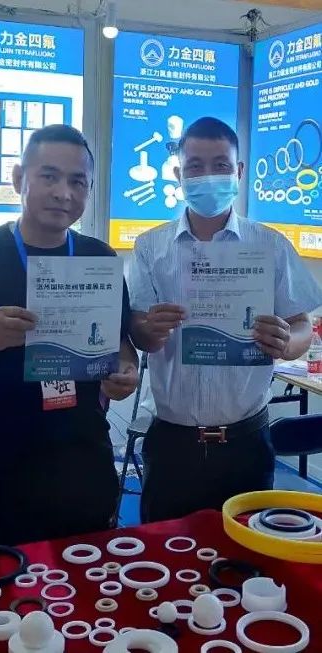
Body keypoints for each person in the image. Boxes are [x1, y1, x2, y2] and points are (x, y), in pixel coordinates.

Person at [0, 124, 138, 545]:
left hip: (85, 462)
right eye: (49, 176)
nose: (63, 193)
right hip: (4, 466)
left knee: (91, 578)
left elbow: (122, 347)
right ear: (19, 179)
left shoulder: (98, 257)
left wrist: (125, 373)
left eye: (77, 182)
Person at [129, 116, 322, 523]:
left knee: (246, 552)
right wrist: (148, 331)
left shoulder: (270, 245)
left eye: (220, 165)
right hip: (172, 444)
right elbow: (138, 332)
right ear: (179, 174)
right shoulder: (150, 248)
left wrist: (288, 342)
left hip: (246, 443)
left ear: (238, 171)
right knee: (165, 551)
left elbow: (302, 325)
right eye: (195, 166)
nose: (208, 176)